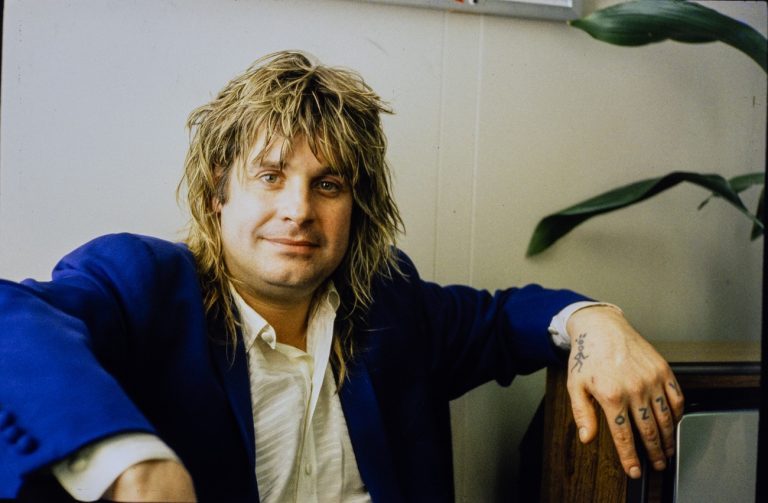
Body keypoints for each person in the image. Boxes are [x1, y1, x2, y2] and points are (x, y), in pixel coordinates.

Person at [0, 50, 683, 502]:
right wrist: (130, 460)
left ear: (357, 207)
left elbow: (504, 318)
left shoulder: (392, 302)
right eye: (270, 176)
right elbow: (13, 327)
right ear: (217, 195)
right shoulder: (143, 284)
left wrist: (597, 321)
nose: (298, 210)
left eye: (328, 184)